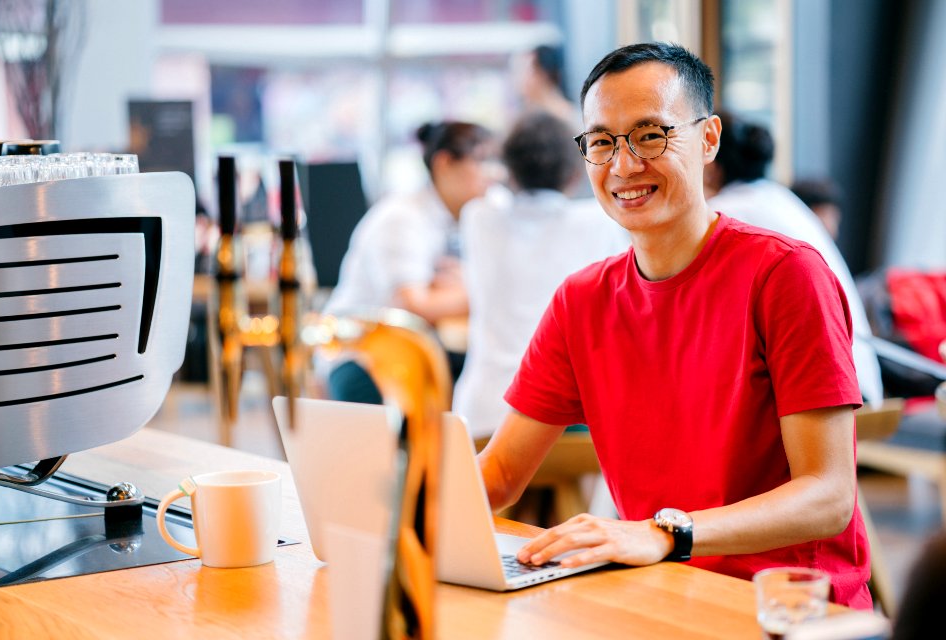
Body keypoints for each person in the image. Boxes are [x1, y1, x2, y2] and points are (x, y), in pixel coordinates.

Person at [478, 43, 871, 609]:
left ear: (708, 139)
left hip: (784, 609)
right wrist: (385, 510)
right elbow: (500, 474)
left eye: (649, 135)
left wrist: (665, 533)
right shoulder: (581, 299)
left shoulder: (785, 275)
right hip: (657, 594)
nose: (623, 165)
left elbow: (828, 496)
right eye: (602, 142)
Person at [453, 111, 630, 438]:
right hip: (570, 420)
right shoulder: (599, 222)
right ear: (576, 174)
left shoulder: (478, 218)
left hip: (484, 416)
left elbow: (494, 197)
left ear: (508, 170)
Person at [703, 110, 883, 407]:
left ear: (711, 165)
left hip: (833, 387)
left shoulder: (728, 212)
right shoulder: (776, 197)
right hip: (856, 377)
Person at [322, 121, 496, 402]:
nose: (494, 174)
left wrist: (462, 286)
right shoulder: (401, 218)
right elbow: (413, 305)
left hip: (421, 350)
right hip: (362, 354)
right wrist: (484, 291)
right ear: (444, 164)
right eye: (481, 160)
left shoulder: (476, 214)